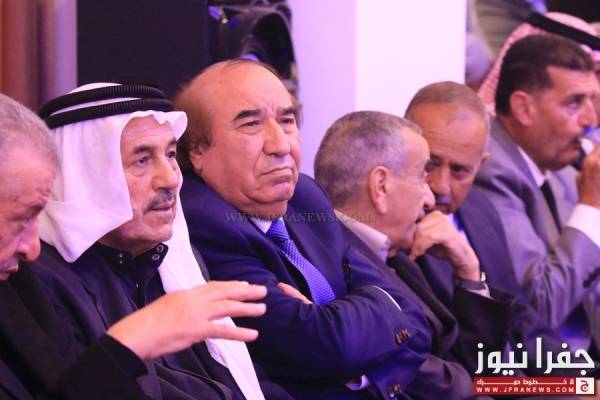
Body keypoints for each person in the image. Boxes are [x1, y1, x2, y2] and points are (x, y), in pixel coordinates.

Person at [175, 59, 431, 399]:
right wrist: (362, 324)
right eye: (251, 124)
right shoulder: (202, 222)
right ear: (197, 151)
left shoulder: (305, 197)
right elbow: (324, 345)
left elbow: (415, 319)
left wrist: (336, 333)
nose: (281, 145)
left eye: (287, 120)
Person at [0, 91, 268, 399]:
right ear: (87, 176)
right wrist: (132, 341)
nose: (171, 179)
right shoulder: (39, 280)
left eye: (170, 155)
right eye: (142, 160)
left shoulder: (172, 260)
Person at [314, 110, 516, 399]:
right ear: (381, 186)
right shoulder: (336, 270)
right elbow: (440, 383)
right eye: (423, 177)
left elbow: (469, 362)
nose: (431, 198)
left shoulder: (397, 257)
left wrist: (469, 273)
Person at [403, 80, 590, 373]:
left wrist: (583, 378)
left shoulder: (480, 210)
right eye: (430, 165)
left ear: (481, 165)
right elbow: (464, 369)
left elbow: (521, 321)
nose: (441, 186)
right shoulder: (393, 234)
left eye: (460, 171)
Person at [474, 34, 600, 353]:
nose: (591, 120)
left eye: (592, 100)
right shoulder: (491, 171)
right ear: (524, 108)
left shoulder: (557, 163)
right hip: (537, 368)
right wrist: (592, 206)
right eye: (574, 103)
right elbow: (541, 306)